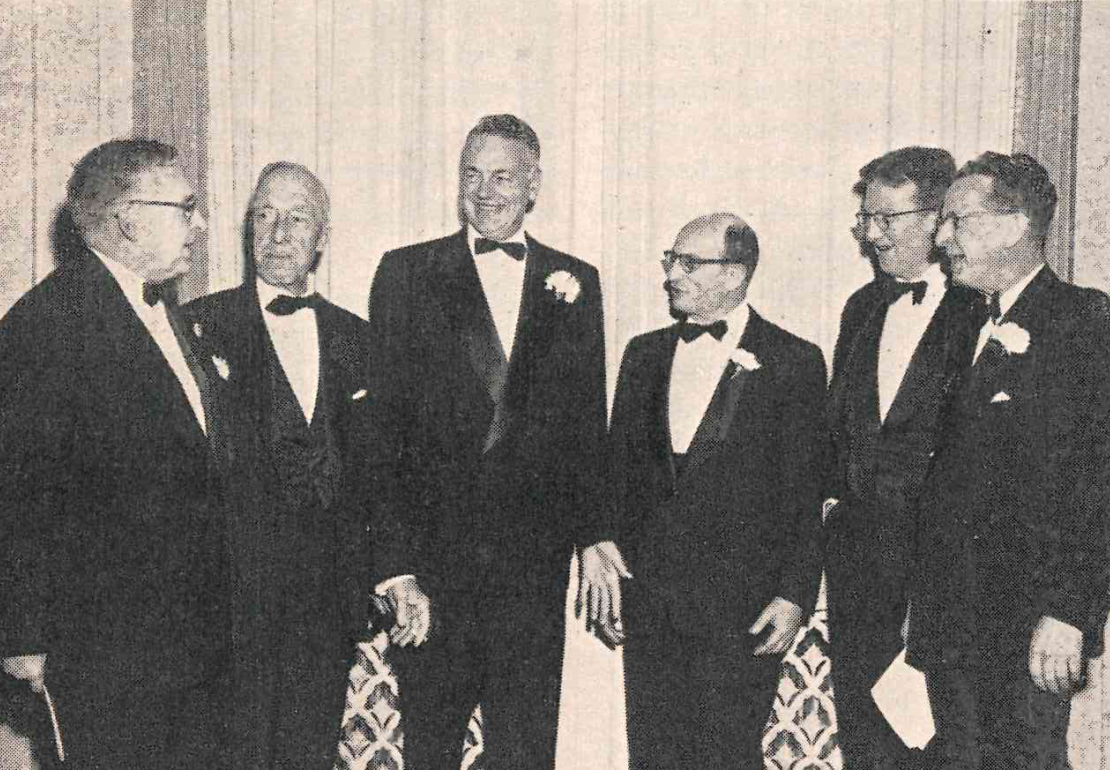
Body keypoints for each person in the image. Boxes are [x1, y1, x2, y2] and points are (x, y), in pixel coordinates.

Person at [0, 139, 229, 770]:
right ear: (130, 221)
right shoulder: (48, 323)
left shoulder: (164, 313)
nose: (200, 224)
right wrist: (21, 636)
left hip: (186, 644)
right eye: (186, 207)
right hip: (103, 649)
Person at [368, 114, 607, 769]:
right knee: (432, 749)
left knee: (527, 749)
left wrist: (593, 535)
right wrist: (396, 566)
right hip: (434, 573)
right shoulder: (405, 273)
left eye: (502, 175)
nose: (485, 190)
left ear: (534, 184)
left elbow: (588, 429)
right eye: (471, 174)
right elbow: (380, 435)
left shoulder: (577, 281)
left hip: (531, 570)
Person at [907, 152, 1110, 768]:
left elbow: (1108, 483)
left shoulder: (1083, 320)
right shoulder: (959, 320)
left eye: (958, 221)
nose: (942, 238)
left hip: (1029, 624)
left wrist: (1070, 613)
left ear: (1014, 226)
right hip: (950, 621)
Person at [583, 213, 825, 769]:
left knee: (726, 757)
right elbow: (616, 470)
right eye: (671, 259)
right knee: (655, 755)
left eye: (688, 263)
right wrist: (602, 551)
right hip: (650, 602)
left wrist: (793, 595)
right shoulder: (642, 355)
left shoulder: (794, 362)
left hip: (742, 608)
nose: (672, 274)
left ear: (736, 275)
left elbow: (804, 492)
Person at [181, 162, 384, 769]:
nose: (278, 233)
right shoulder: (197, 326)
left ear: (322, 237)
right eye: (264, 215)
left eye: (298, 218)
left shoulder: (359, 338)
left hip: (326, 603)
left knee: (306, 753)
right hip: (229, 602)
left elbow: (376, 475)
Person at [822, 147, 985, 769]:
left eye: (887, 219)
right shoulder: (861, 309)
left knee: (945, 743)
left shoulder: (979, 310)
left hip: (943, 578)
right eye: (867, 219)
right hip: (860, 570)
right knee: (869, 743)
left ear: (936, 217)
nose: (872, 234)